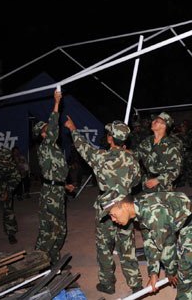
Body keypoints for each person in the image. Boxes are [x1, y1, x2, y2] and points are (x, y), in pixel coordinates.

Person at [64, 116, 143, 295]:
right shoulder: (132, 159)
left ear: (110, 138)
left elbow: (81, 146)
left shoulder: (100, 157)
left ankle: (108, 284)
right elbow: (137, 181)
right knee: (127, 247)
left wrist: (72, 127)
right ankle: (135, 283)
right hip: (125, 207)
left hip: (106, 210)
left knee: (104, 247)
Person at [104, 191, 192, 300]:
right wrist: (153, 273)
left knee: (188, 278)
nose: (113, 220)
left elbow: (168, 247)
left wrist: (171, 272)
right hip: (184, 221)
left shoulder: (154, 214)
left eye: (113, 215)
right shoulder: (138, 208)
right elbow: (149, 241)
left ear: (125, 206)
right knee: (184, 272)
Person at [33, 89, 74, 265]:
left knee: (61, 230)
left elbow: (53, 175)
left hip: (58, 192)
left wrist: (65, 185)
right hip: (49, 195)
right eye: (45, 128)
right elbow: (53, 128)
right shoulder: (45, 146)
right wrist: (56, 103)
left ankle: (54, 263)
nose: (49, 128)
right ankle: (36, 264)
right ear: (42, 134)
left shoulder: (54, 149)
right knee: (48, 231)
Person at [132, 112, 182, 193]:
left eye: (156, 121)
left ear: (164, 125)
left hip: (162, 186)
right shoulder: (147, 141)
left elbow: (175, 170)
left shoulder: (170, 146)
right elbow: (137, 154)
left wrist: (157, 180)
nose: (152, 122)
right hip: (147, 182)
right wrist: (125, 152)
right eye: (153, 120)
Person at [173, 121, 192, 188]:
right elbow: (168, 137)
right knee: (181, 169)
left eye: (184, 127)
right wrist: (176, 133)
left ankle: (191, 182)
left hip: (189, 154)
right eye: (181, 127)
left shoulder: (190, 134)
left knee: (190, 168)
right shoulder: (178, 136)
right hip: (181, 155)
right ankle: (182, 182)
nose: (183, 128)